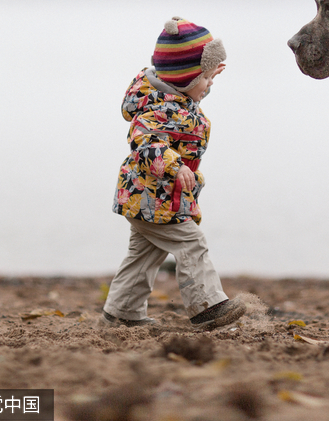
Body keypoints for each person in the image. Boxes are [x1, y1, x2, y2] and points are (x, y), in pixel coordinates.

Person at [102, 16, 245, 329]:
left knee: (144, 255)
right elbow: (145, 143)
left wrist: (206, 75)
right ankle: (208, 306)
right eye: (206, 79)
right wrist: (174, 165)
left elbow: (190, 101)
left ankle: (121, 312)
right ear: (186, 79)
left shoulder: (176, 98)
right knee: (191, 243)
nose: (210, 85)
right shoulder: (157, 109)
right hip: (153, 197)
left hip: (152, 199)